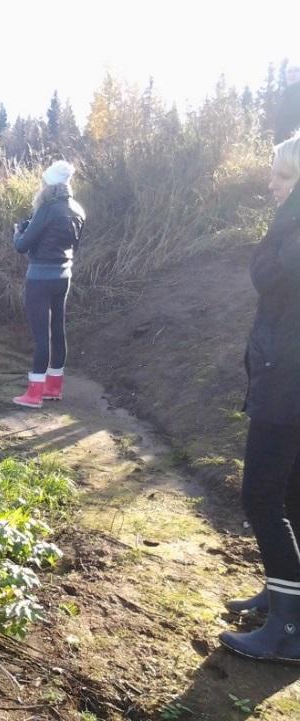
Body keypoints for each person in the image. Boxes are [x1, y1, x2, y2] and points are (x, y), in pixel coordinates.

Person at [220, 134, 300, 662]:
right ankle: (281, 595)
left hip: (289, 380)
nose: (271, 183)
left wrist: (279, 226)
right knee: (291, 496)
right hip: (287, 373)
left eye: (284, 176)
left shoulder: (292, 231)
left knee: (262, 496)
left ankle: (290, 629)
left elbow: (266, 274)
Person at [11, 160, 85, 408]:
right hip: (64, 276)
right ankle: (54, 387)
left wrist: (18, 233)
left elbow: (22, 246)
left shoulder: (47, 209)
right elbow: (74, 246)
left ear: (48, 185)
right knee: (58, 331)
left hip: (40, 278)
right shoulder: (77, 210)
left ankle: (34, 394)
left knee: (41, 334)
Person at [274, 64, 300, 144]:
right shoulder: (283, 95)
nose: (292, 74)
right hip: (281, 143)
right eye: (289, 71)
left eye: (296, 70)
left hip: (296, 141)